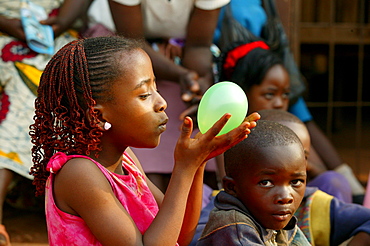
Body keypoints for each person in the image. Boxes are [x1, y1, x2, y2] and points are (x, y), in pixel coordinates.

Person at [29, 36, 260, 245]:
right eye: (144, 95)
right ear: (98, 116)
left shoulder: (127, 158)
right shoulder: (79, 174)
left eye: (156, 88)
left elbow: (179, 235)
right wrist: (184, 168)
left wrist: (198, 162)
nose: (162, 103)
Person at [215, 0, 366, 203]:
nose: (279, 103)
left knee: (333, 181)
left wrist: (302, 164)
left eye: (285, 95)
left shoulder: (288, 129)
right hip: (251, 210)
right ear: (243, 93)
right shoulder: (231, 134)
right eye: (269, 95)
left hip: (295, 206)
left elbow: (317, 173)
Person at [104, 0, 231, 192]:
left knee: (197, 133)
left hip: (183, 55)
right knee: (146, 170)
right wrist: (180, 75)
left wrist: (196, 85)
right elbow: (130, 42)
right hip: (127, 54)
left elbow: (198, 46)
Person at [0, 1, 91, 245]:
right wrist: (4, 22)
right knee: (25, 90)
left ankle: (68, 206)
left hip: (56, 34)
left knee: (61, 82)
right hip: (7, 33)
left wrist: (63, 19)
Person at [259, 109, 370, 246]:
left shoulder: (316, 205)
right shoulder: (234, 220)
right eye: (266, 182)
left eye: (300, 158)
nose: (290, 167)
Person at [196, 120, 310, 245]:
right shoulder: (235, 229)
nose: (286, 197)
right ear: (232, 187)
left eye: (295, 181)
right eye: (266, 183)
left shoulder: (273, 218)